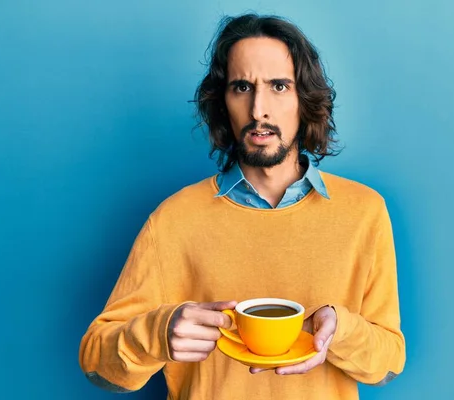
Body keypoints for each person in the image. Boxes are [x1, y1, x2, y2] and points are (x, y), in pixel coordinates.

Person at [79, 13, 406, 400]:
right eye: (241, 87)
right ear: (224, 102)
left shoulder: (364, 212)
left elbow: (387, 365)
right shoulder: (173, 219)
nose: (257, 110)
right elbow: (97, 366)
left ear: (305, 99)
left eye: (279, 86)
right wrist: (158, 333)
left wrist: (341, 331)